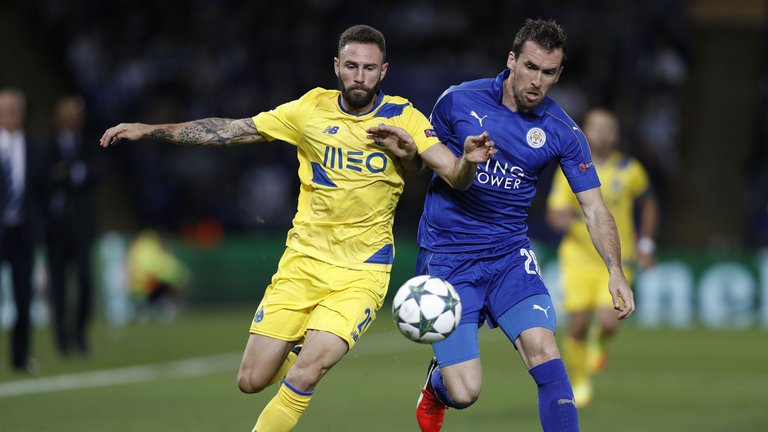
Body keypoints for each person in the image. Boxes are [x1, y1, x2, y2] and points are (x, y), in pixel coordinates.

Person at [100, 24, 495, 432]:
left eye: (370, 68)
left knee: (305, 375)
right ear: (337, 66)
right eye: (352, 66)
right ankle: (301, 350)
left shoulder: (404, 117)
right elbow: (231, 131)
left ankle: (308, 357)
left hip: (361, 272)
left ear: (384, 71)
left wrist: (465, 160)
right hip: (302, 264)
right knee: (251, 380)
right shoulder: (309, 110)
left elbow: (453, 175)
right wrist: (151, 130)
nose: (360, 76)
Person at [412, 19, 635, 432]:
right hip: (448, 257)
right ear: (511, 60)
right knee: (465, 392)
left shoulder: (562, 130)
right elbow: (416, 160)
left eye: (548, 73)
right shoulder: (458, 101)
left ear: (559, 74)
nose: (537, 81)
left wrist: (615, 270)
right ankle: (438, 385)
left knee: (544, 349)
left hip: (509, 257)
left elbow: (594, 207)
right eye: (530, 67)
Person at [546, 107, 658, 407]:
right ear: (584, 131)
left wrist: (646, 243)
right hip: (578, 257)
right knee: (578, 325)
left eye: (608, 128)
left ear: (616, 134)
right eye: (595, 127)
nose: (601, 133)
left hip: (617, 259)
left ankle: (602, 341)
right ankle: (580, 381)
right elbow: (554, 209)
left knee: (609, 321)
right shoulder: (570, 166)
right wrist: (561, 217)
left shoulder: (629, 169)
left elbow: (648, 204)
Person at [44, 94, 97, 356]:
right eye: (69, 112)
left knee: (86, 280)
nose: (74, 117)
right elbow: (43, 180)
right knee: (58, 286)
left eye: (78, 113)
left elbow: (100, 171)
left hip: (82, 227)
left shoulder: (90, 144)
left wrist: (71, 174)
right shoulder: (47, 146)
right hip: (55, 228)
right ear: (58, 117)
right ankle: (62, 340)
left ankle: (80, 332)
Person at [0, 88, 42, 374]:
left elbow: (41, 192)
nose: (8, 116)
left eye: (12, 110)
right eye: (3, 110)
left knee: (24, 296)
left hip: (23, 232)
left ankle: (20, 357)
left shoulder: (35, 148)